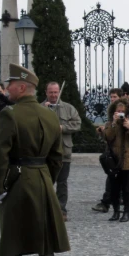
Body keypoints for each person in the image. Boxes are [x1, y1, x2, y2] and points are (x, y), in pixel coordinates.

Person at [0, 64, 70, 256]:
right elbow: (57, 157)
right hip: (42, 177)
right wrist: (46, 177)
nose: (7, 89)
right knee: (45, 237)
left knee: (11, 234)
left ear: (22, 87)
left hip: (18, 178)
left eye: (10, 85)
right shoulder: (50, 115)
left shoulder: (9, 114)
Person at [43, 81, 81, 222]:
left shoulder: (68, 108)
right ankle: (45, 209)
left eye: (55, 92)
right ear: (46, 92)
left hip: (64, 151)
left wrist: (62, 128)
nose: (53, 95)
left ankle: (61, 210)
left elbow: (77, 124)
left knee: (62, 182)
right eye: (51, 92)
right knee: (45, 183)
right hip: (45, 152)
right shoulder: (39, 108)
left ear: (59, 92)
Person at [103, 98, 129, 222]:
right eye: (117, 112)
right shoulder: (110, 125)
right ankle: (115, 212)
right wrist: (114, 124)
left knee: (127, 189)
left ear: (126, 113)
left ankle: (126, 212)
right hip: (114, 162)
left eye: (122, 112)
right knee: (114, 189)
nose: (119, 114)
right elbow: (107, 137)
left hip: (127, 163)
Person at [92, 89, 123, 213]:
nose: (112, 99)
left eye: (114, 96)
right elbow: (110, 133)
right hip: (111, 150)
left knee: (114, 177)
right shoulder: (111, 112)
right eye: (111, 97)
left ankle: (106, 203)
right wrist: (104, 130)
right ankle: (126, 202)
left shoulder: (125, 112)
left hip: (121, 151)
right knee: (114, 177)